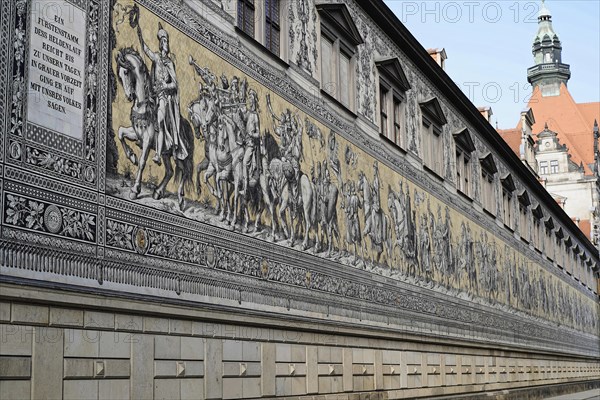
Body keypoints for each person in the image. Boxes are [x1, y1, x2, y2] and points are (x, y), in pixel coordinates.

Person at [138, 22, 187, 165]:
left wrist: (165, 85)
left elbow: (175, 84)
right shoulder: (157, 58)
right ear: (160, 44)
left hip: (164, 97)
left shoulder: (169, 63)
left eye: (166, 41)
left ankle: (158, 154)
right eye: (162, 41)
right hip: (154, 95)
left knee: (159, 120)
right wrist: (140, 35)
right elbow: (146, 51)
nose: (164, 43)